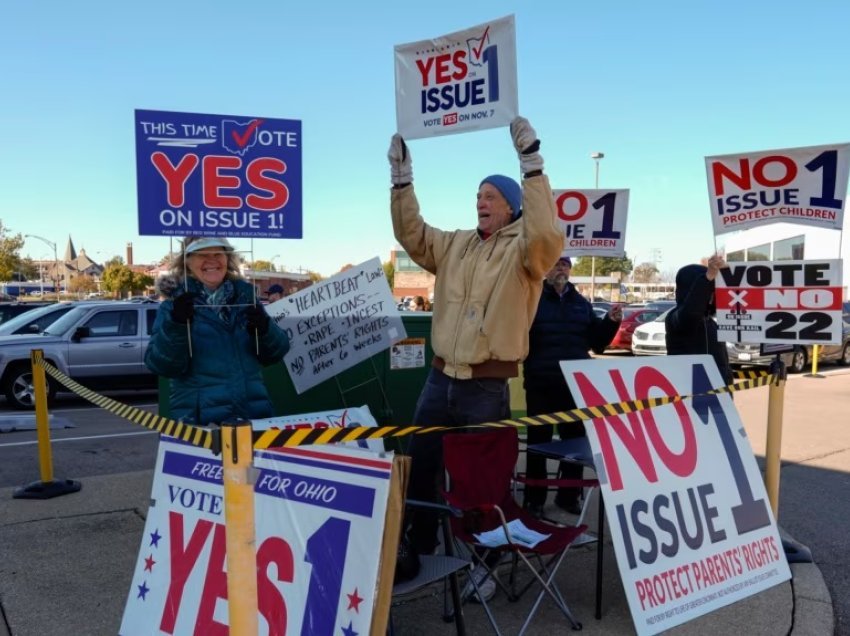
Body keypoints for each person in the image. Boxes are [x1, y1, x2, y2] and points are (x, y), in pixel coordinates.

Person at [388, 117, 563, 595]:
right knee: (420, 467)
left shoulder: (526, 251)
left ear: (511, 207)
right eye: (478, 195)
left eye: (490, 196)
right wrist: (402, 181)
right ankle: (418, 549)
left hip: (487, 388)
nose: (480, 201)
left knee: (482, 484)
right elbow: (413, 234)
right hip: (439, 381)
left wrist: (532, 165)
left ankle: (484, 564)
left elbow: (547, 233)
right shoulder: (457, 244)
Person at [145, 236, 290, 427]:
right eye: (202, 254)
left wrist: (265, 330)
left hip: (254, 418)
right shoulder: (173, 305)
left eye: (217, 253)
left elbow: (276, 353)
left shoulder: (246, 298)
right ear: (187, 261)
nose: (211, 259)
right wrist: (177, 325)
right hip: (200, 425)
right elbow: (161, 366)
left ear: (227, 258)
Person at [522, 253, 623, 516]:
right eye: (556, 264)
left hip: (574, 386)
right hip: (541, 384)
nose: (561, 268)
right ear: (546, 269)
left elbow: (597, 342)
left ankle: (568, 497)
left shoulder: (581, 303)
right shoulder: (531, 300)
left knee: (575, 445)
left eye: (565, 264)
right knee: (538, 444)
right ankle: (534, 500)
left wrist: (612, 322)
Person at [665, 254, 732, 385]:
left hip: (718, 396)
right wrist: (707, 279)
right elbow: (691, 311)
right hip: (689, 395)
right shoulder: (675, 318)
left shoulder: (710, 322)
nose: (712, 294)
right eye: (710, 289)